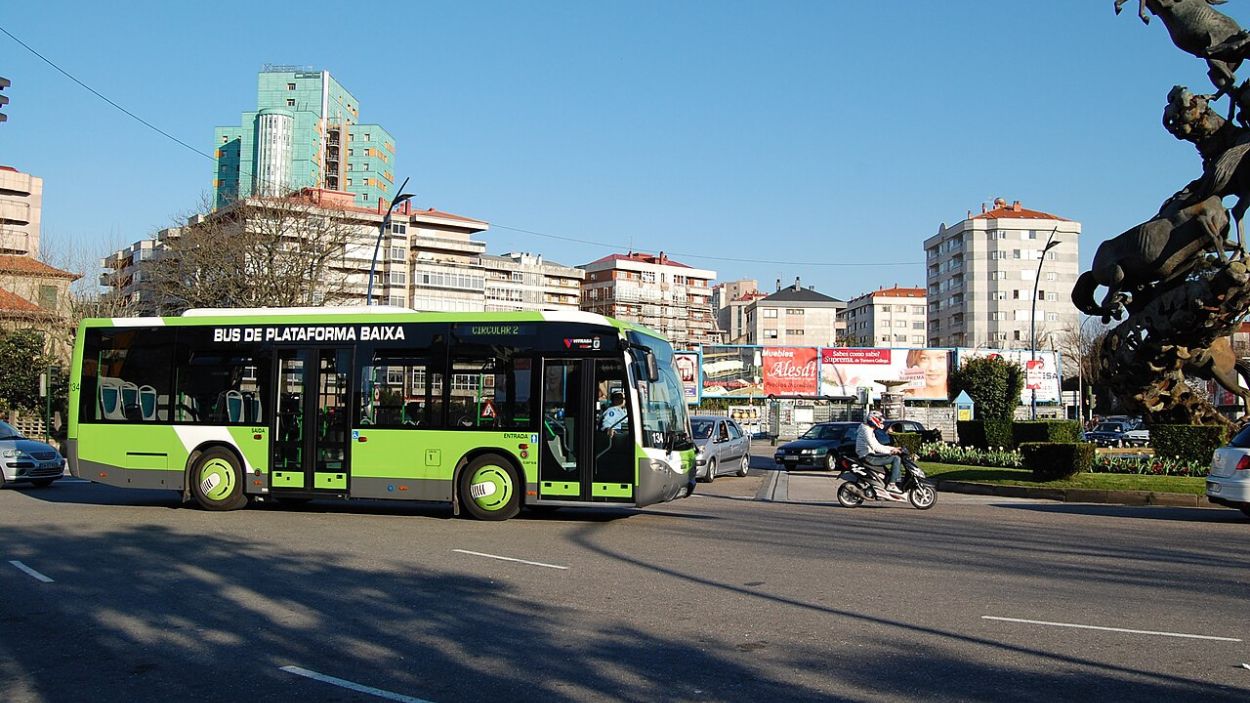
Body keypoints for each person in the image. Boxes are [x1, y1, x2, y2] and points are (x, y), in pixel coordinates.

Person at [856, 410, 905, 499]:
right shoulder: (866, 430)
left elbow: (878, 445)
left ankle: (889, 484)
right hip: (867, 457)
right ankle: (892, 484)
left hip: (869, 455)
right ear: (873, 419)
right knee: (896, 459)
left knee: (888, 469)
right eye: (879, 419)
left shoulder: (868, 429)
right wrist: (891, 452)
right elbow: (875, 447)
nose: (881, 421)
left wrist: (893, 448)